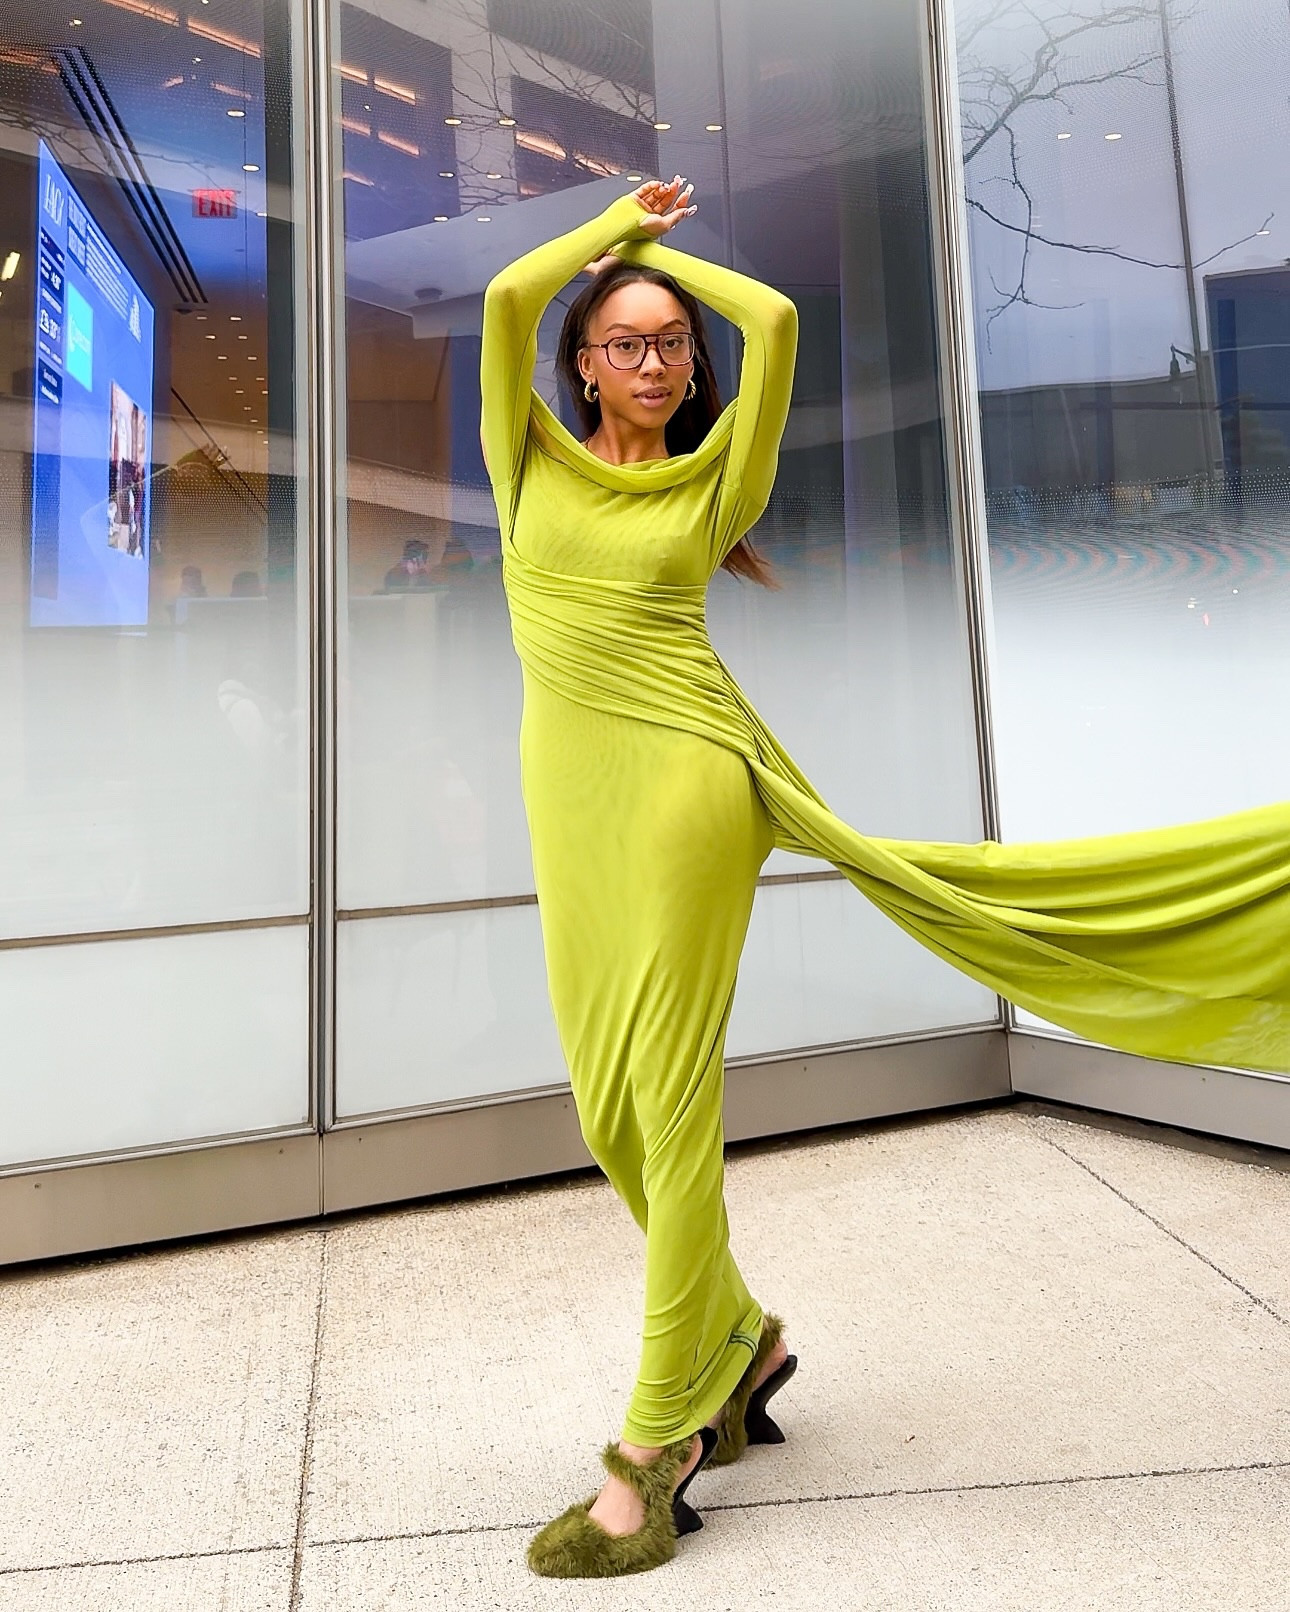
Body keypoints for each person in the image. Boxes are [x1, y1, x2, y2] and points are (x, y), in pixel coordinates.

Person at [479, 176, 1290, 1579]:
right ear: (579, 362)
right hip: (565, 791)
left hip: (685, 787)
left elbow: (780, 315)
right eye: (625, 340)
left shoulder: (716, 470)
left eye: (673, 339)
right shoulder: (528, 458)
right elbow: (503, 298)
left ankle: (656, 1439)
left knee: (668, 1106)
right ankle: (746, 1344)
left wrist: (674, 263)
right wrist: (612, 236)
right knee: (608, 1104)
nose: (658, 360)